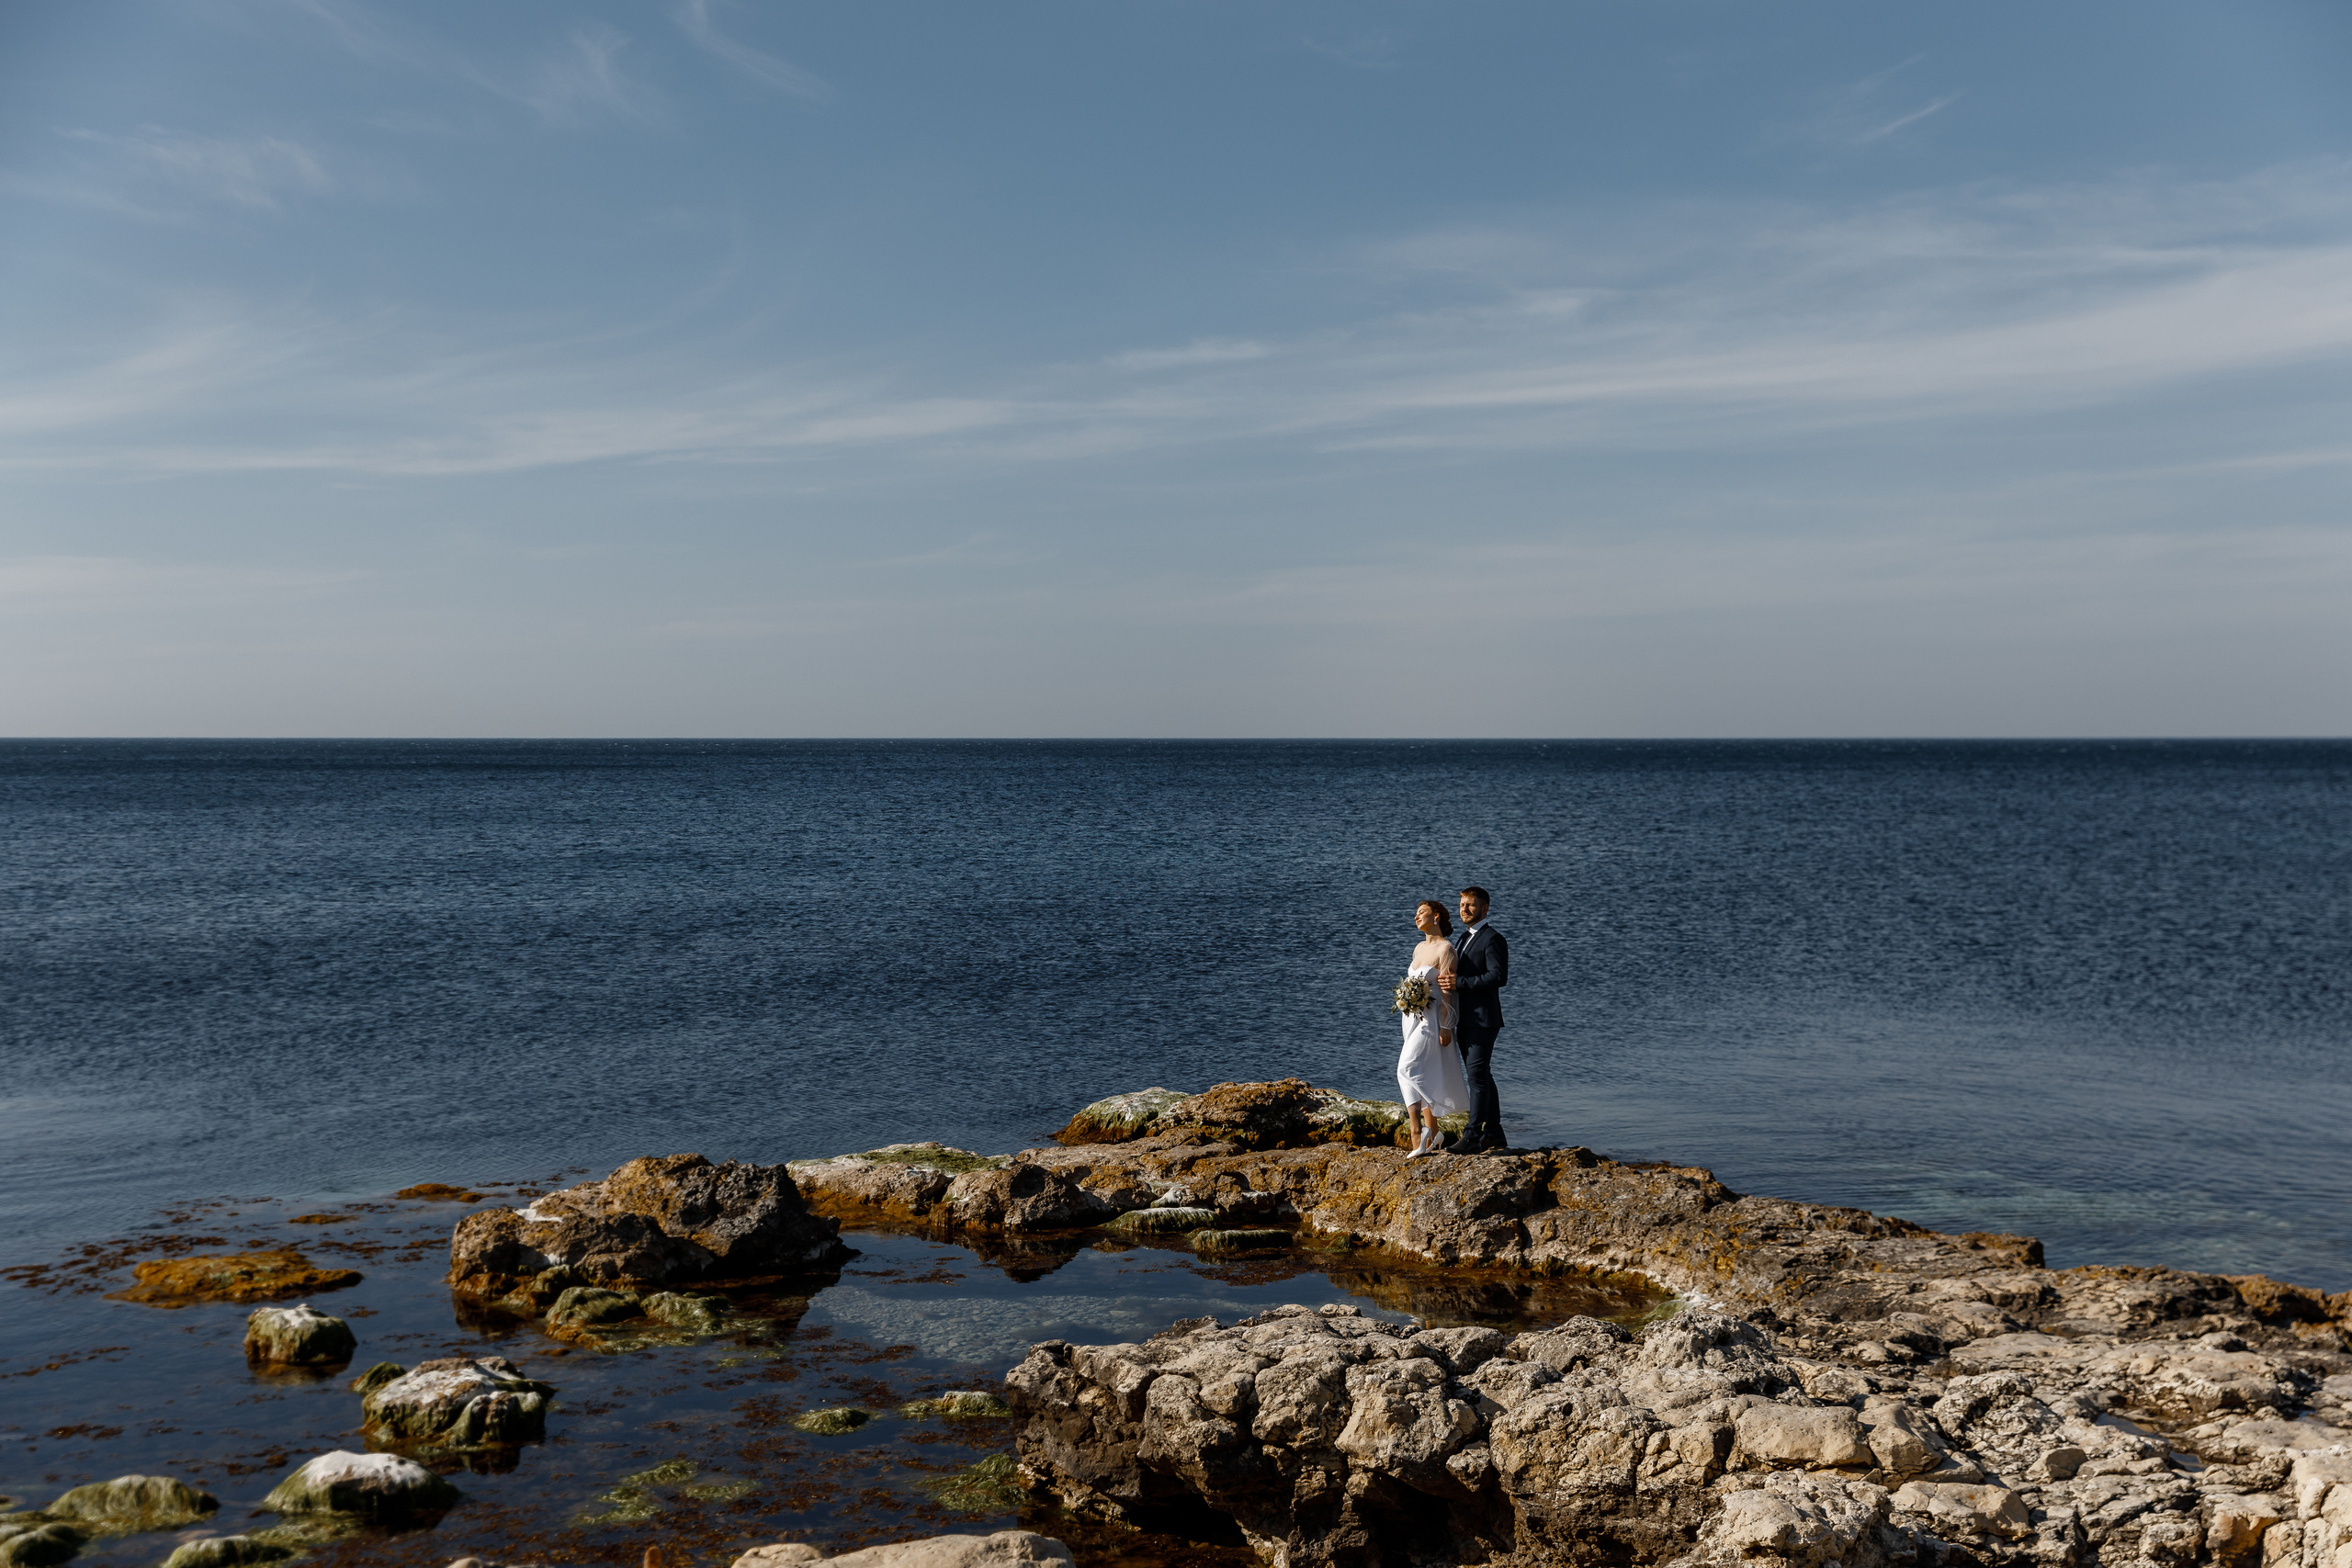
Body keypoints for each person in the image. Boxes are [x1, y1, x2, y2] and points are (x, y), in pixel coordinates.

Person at [1396, 899, 1469, 1157]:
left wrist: (1447, 1026)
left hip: (1432, 1020)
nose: (1416, 916)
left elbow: (1447, 991)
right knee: (1418, 1071)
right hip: (1411, 1018)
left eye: (1421, 912)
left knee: (1406, 1069)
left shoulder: (1447, 949)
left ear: (1436, 916)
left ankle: (1418, 1132)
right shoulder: (1418, 948)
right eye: (1415, 913)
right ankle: (1434, 1131)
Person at [1439, 885, 1509, 1153]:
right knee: (1482, 1076)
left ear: (1484, 908)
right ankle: (1494, 1133)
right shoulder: (1463, 938)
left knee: (1477, 1076)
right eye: (1461, 905)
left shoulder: (1493, 938)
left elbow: (1498, 977)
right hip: (1465, 1019)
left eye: (1470, 905)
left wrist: (1460, 982)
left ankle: (1472, 1136)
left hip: (1484, 1019)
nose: (1464, 910)